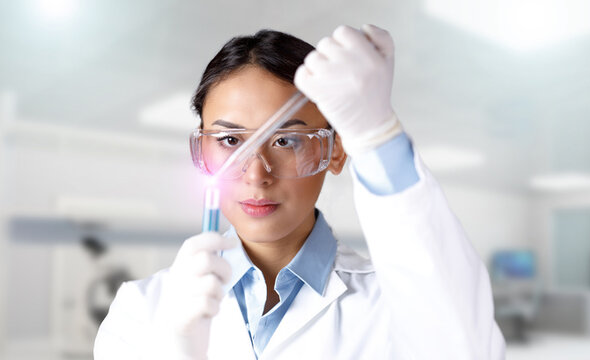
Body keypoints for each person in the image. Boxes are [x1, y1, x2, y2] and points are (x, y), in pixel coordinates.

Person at [93, 24, 505, 359]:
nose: (256, 174)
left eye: (286, 141)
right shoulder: (143, 309)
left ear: (337, 150)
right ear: (202, 150)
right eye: (230, 141)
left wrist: (377, 136)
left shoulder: (397, 304)